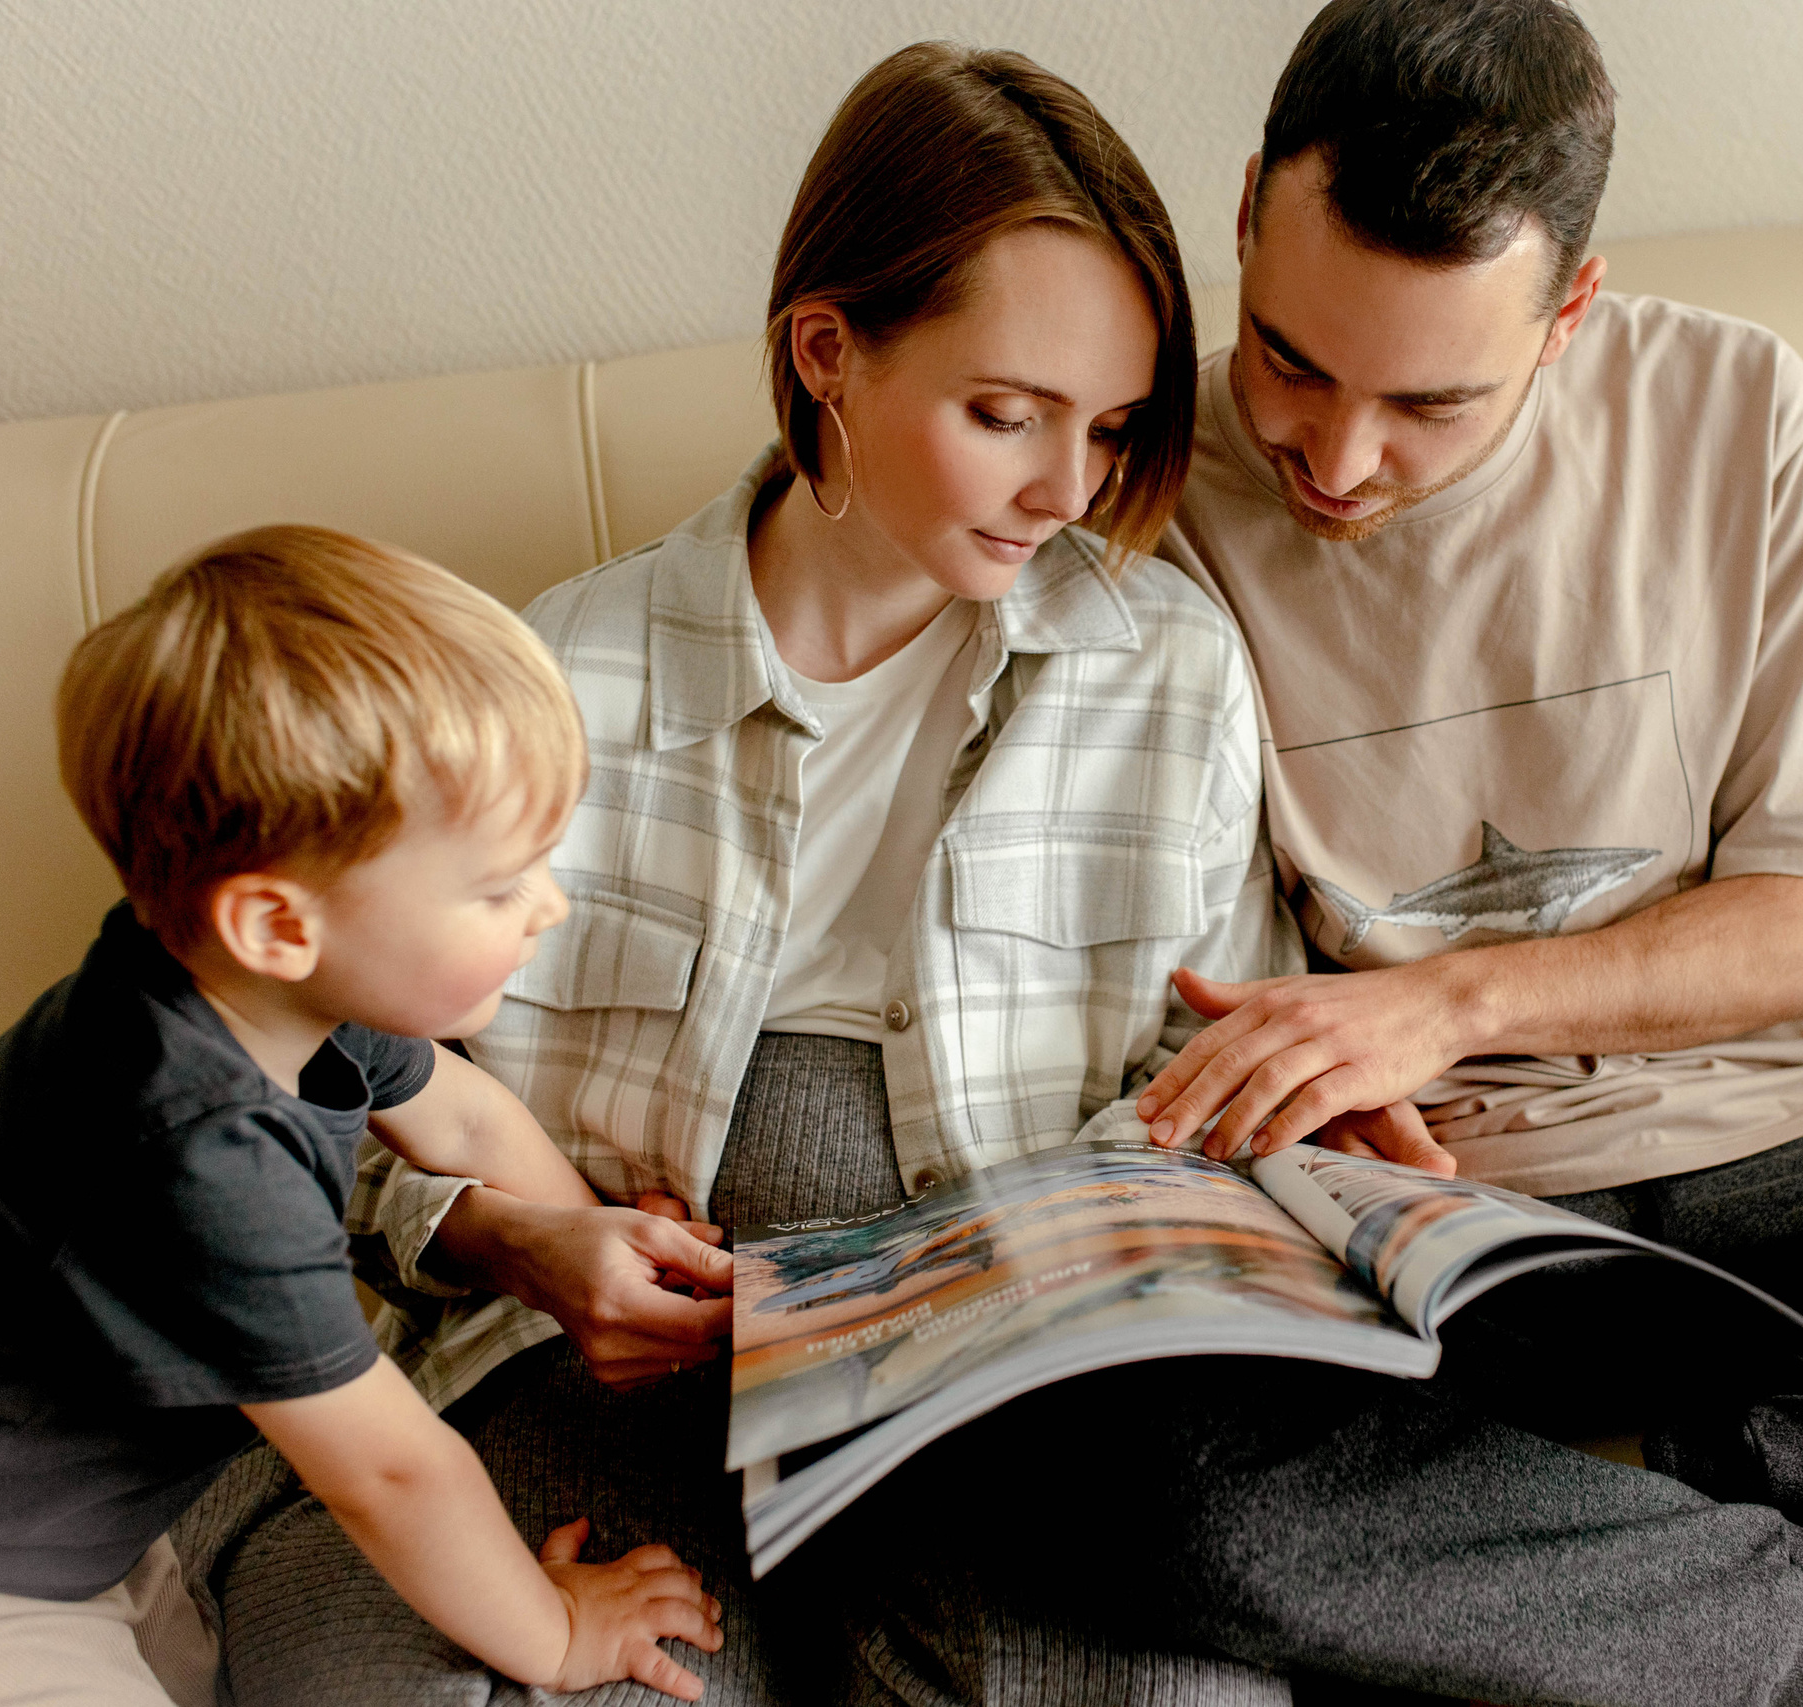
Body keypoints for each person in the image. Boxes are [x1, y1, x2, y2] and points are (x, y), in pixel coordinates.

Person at [840, 2, 1803, 1704]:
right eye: (1292, 359)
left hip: (1780, 1167)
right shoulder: (1131, 478)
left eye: (1429, 401)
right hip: (1428, 1235)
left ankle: (1617, 1535)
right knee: (1127, 1481)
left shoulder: (1740, 417)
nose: (1338, 458)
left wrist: (1442, 1002)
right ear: (1243, 219)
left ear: (1571, 309)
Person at [186, 42, 1301, 1707]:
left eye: (1112, 427)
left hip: (1001, 1380)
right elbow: (318, 1101)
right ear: (826, 350)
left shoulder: (1168, 668)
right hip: (593, 1369)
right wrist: (512, 1241)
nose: (1068, 490)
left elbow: (1203, 1087)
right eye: (1005, 415)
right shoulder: (560, 676)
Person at [0, 527, 723, 1707]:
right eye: (496, 886)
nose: (550, 907)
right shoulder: (187, 1146)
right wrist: (556, 1635)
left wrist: (593, 1254)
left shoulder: (279, 993)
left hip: (65, 1539)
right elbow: (389, 1473)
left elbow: (463, 1122)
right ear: (276, 922)